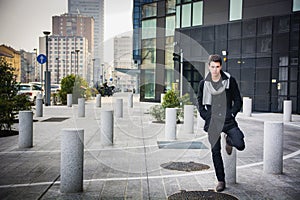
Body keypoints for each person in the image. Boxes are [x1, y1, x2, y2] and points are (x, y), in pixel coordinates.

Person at [197, 54, 245, 192]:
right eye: (212, 67)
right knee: (215, 151)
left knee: (240, 144)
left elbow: (238, 101)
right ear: (209, 66)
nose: (215, 70)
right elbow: (200, 103)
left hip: (228, 120)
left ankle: (229, 140)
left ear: (221, 66)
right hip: (213, 121)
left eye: (217, 67)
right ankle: (221, 180)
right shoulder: (203, 83)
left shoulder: (230, 81)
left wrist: (232, 113)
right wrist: (207, 117)